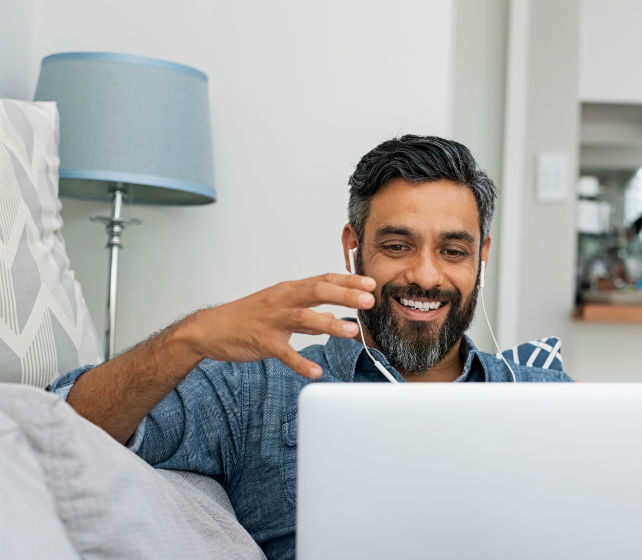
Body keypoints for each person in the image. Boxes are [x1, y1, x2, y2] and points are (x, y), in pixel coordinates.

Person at [48, 135, 573, 559]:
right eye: (397, 246)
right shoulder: (257, 383)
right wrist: (191, 335)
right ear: (354, 247)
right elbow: (63, 432)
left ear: (480, 256)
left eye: (453, 250)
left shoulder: (551, 400)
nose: (425, 275)